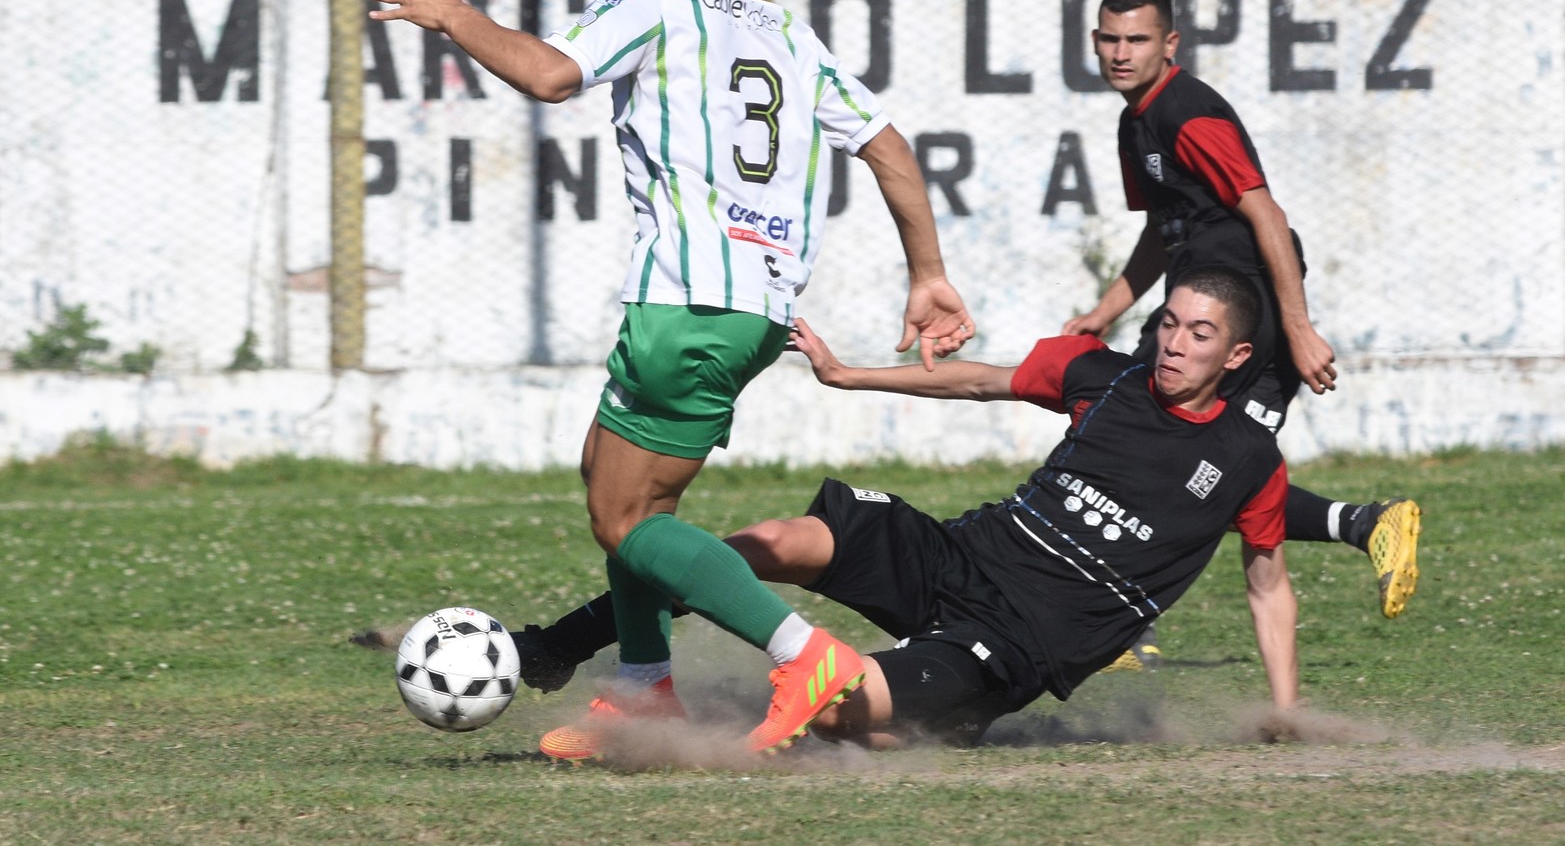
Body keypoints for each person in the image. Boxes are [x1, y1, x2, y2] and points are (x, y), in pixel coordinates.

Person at [360, 0, 974, 759]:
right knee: (605, 471)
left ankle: (805, 657)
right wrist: (928, 272)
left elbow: (550, 75)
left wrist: (453, 16)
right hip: (752, 308)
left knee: (629, 521)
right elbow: (886, 145)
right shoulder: (783, 32)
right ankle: (645, 687)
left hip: (686, 301)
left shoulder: (651, 2)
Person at [483, 266, 1298, 749]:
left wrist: (1284, 714)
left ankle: (677, 730)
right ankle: (566, 648)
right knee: (765, 542)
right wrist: (849, 376)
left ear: (1234, 355)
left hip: (1018, 641)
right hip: (965, 552)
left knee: (844, 721)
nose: (1172, 343)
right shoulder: (1104, 373)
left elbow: (1268, 589)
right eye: (1166, 323)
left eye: (1197, 333)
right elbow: (980, 378)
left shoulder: (1246, 461)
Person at [1062, 0, 1419, 669]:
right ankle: (1367, 523)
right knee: (1201, 467)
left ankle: (1117, 631)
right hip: (1199, 308)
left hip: (1238, 312)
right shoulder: (1134, 120)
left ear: (1170, 44)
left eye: (1136, 39)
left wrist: (1298, 327)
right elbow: (1162, 231)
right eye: (1109, 39)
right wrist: (1102, 313)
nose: (1119, 52)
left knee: (1173, 455)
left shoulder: (1189, 116)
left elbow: (1267, 217)